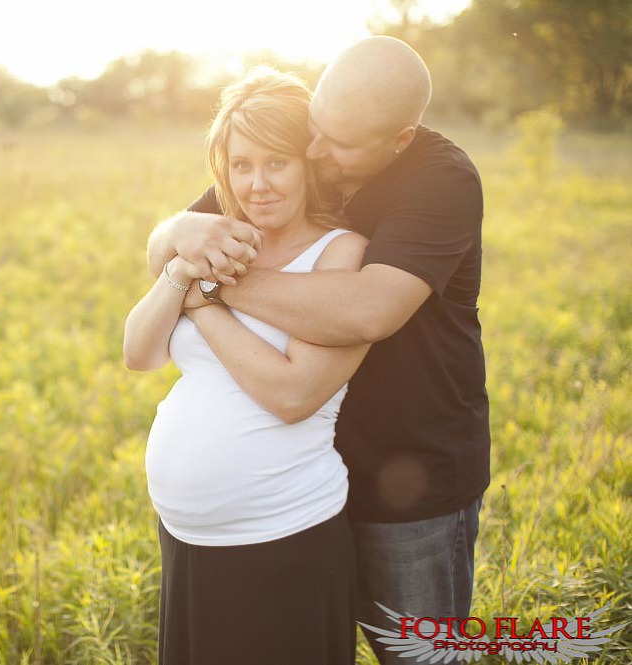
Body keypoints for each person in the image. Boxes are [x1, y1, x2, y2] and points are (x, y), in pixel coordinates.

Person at [147, 36, 489, 663]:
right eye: (315, 130)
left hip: (409, 478)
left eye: (337, 142)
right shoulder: (301, 155)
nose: (314, 152)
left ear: (399, 139)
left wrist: (209, 287)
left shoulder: (442, 181)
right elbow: (169, 249)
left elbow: (369, 309)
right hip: (302, 482)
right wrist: (178, 230)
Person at [124, 67, 369, 664]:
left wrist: (204, 301)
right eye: (241, 165)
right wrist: (181, 271)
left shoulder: (340, 252)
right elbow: (139, 352)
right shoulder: (220, 240)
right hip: (189, 542)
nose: (257, 184)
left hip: (282, 537)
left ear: (309, 163)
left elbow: (293, 395)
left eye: (276, 163)